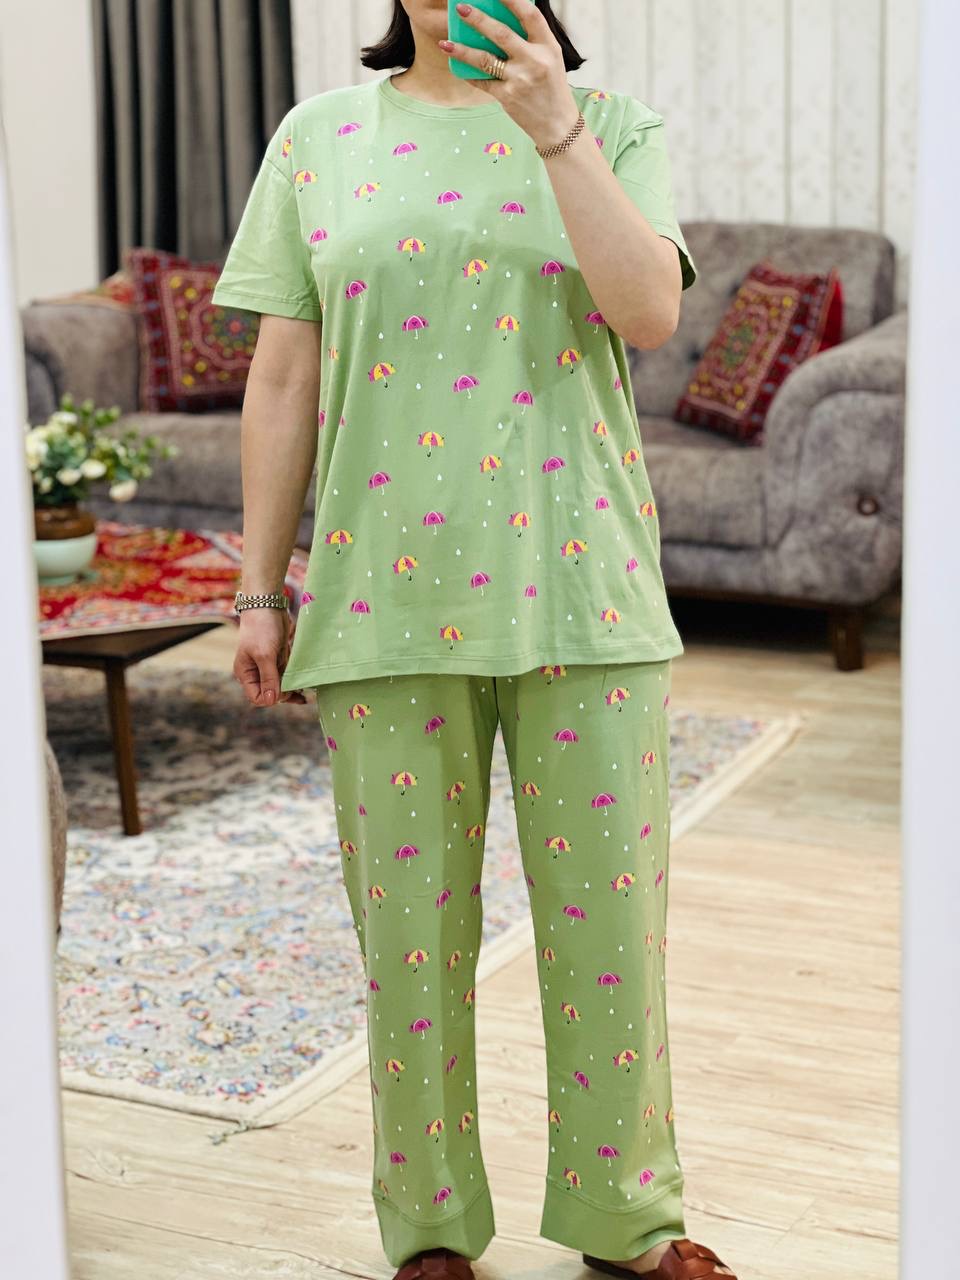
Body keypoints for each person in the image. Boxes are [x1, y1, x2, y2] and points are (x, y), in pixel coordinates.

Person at [212, 2, 737, 1278]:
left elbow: (649, 316)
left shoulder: (613, 127)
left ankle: (628, 1215)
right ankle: (432, 1224)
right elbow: (281, 377)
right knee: (407, 938)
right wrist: (259, 587)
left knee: (611, 930)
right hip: (381, 597)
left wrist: (556, 132)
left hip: (584, 588)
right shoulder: (318, 138)